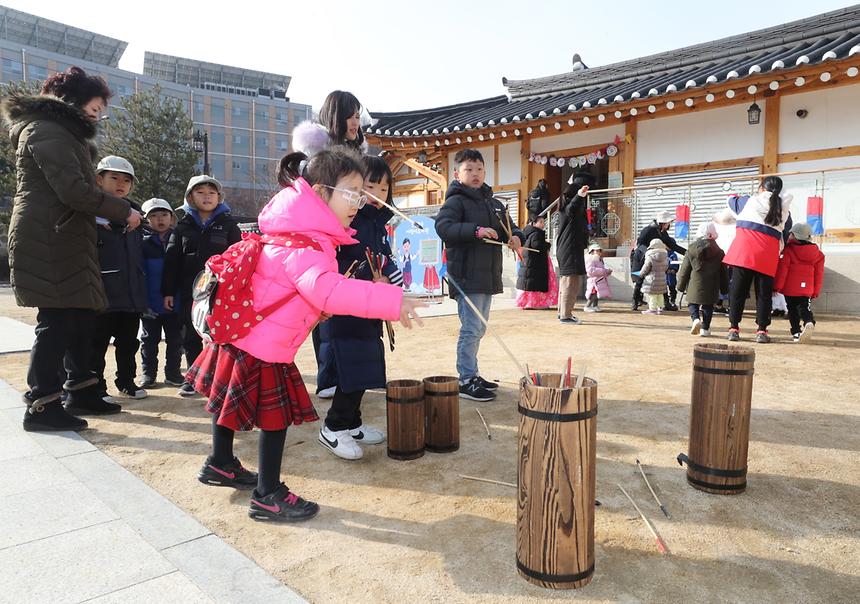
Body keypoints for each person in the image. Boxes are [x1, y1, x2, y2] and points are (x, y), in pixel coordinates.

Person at [188, 148, 425, 522]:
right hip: (263, 344)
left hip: (245, 334)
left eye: (362, 192)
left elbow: (304, 294)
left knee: (227, 403)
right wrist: (391, 300)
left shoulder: (297, 233)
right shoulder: (306, 244)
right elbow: (327, 289)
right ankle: (268, 495)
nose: (359, 201)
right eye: (351, 191)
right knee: (274, 418)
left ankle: (220, 462)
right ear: (319, 191)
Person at [2, 66, 139, 431]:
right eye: (93, 110)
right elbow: (75, 191)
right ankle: (42, 404)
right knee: (58, 321)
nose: (96, 117)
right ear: (71, 102)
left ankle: (80, 389)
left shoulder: (64, 133)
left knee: (79, 317)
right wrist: (123, 210)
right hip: (48, 236)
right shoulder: (47, 130)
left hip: (64, 234)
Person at [316, 155, 403, 460]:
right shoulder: (349, 220)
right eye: (370, 187)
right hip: (347, 304)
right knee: (356, 365)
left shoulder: (376, 223)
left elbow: (381, 256)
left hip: (368, 304)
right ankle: (333, 426)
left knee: (366, 362)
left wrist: (391, 276)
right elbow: (339, 261)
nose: (377, 195)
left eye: (383, 188)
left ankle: (352, 423)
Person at [435, 149, 522, 402]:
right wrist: (476, 231)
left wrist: (517, 237)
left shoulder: (493, 203)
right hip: (465, 275)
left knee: (479, 329)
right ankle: (465, 379)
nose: (475, 174)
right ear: (457, 173)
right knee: (471, 329)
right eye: (469, 169)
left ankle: (472, 374)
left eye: (479, 169)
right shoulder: (455, 201)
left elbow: (510, 228)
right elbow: (444, 227)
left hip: (487, 276)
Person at [162, 175, 241, 395]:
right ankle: (193, 377)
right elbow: (171, 261)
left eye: (211, 193)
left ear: (219, 197)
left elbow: (239, 258)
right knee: (192, 335)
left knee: (220, 334)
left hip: (222, 291)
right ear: (190, 197)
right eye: (200, 192)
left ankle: (221, 377)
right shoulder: (181, 228)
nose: (207, 197)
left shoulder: (228, 225)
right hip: (191, 293)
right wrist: (168, 291)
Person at [89, 156, 149, 404]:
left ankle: (126, 381)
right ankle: (96, 387)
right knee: (96, 345)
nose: (120, 183)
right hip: (101, 296)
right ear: (98, 179)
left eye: (126, 180)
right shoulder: (91, 217)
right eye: (114, 177)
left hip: (130, 296)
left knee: (128, 344)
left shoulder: (136, 220)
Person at [720, 176, 792, 343]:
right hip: (767, 255)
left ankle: (733, 329)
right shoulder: (784, 208)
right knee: (764, 295)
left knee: (737, 292)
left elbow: (731, 200)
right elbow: (786, 231)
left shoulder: (749, 202)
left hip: (744, 253)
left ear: (761, 188)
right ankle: (762, 331)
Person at [139, 198, 185, 388]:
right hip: (150, 303)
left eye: (164, 215)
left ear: (172, 218)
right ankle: (148, 374)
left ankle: (173, 373)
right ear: (145, 219)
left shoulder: (180, 239)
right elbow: (138, 274)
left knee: (175, 340)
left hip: (175, 302)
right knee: (150, 341)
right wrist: (142, 302)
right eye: (154, 215)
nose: (160, 219)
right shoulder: (142, 243)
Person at [774, 222, 825, 343]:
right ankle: (808, 321)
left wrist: (777, 287)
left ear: (795, 236)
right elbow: (819, 274)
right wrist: (816, 291)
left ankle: (796, 332)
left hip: (790, 289)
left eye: (791, 233)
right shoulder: (818, 254)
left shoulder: (788, 251)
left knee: (792, 310)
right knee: (804, 308)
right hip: (807, 289)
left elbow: (783, 271)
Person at [676, 222, 728, 337]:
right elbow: (724, 272)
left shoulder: (691, 249)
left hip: (695, 283)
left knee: (692, 304)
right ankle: (705, 328)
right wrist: (725, 289)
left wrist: (680, 285)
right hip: (712, 284)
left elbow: (684, 270)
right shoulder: (719, 252)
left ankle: (695, 319)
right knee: (708, 306)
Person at [630, 210, 686, 310]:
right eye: (669, 222)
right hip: (642, 257)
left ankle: (666, 303)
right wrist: (649, 253)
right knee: (639, 280)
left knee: (661, 280)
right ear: (663, 223)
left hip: (654, 259)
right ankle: (635, 301)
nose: (670, 224)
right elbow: (639, 244)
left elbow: (673, 246)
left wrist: (689, 253)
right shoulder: (648, 230)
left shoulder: (663, 234)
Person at [556, 172, 593, 324]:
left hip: (567, 248)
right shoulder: (569, 208)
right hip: (570, 249)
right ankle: (565, 315)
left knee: (565, 282)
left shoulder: (564, 208)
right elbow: (573, 207)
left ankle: (562, 313)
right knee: (571, 282)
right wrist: (579, 195)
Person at [292, 90, 367, 158]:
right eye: (349, 117)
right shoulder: (314, 155)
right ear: (333, 117)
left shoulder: (357, 152)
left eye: (357, 117)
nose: (355, 123)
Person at [515, 215, 557, 310]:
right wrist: (547, 244)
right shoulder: (536, 233)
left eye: (543, 222)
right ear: (534, 223)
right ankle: (537, 304)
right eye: (541, 222)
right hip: (535, 264)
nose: (543, 224)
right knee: (535, 285)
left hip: (529, 263)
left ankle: (528, 303)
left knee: (529, 286)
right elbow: (536, 245)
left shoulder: (526, 232)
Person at [639, 239, 669, 315]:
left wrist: (641, 274)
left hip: (652, 279)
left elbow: (646, 267)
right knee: (660, 294)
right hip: (662, 278)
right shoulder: (665, 255)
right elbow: (666, 267)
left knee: (652, 295)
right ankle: (660, 308)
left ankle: (652, 309)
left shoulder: (650, 255)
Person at [583, 243, 612, 312]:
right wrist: (603, 271)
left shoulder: (599, 259)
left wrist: (606, 271)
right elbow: (590, 270)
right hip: (594, 281)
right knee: (593, 294)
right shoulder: (590, 259)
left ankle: (595, 306)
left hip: (599, 280)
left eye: (599, 250)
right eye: (597, 250)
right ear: (592, 251)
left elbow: (600, 270)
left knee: (597, 293)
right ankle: (587, 306)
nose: (599, 252)